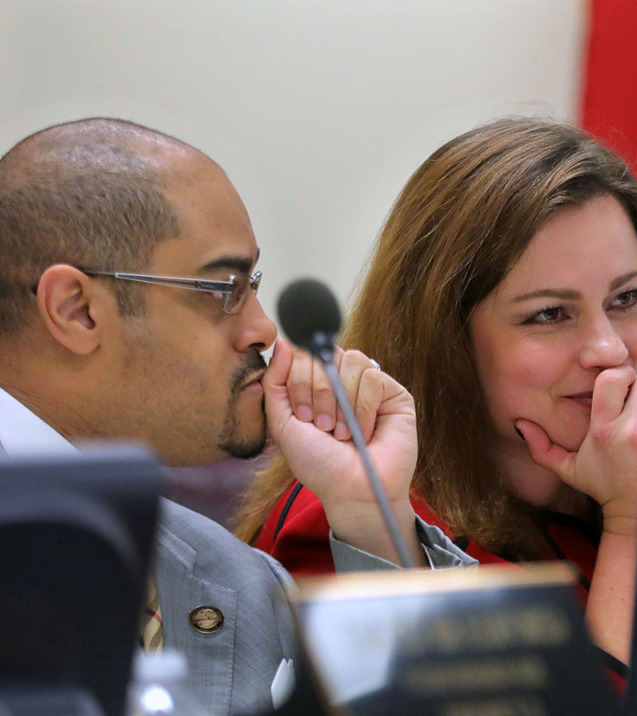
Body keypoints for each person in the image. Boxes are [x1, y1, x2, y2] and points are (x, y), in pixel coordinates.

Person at [0, 118, 473, 715]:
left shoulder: (242, 581)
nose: (262, 328)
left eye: (252, 284)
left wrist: (370, 512)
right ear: (78, 311)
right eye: (221, 288)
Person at [234, 117, 637, 667]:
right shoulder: (359, 516)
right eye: (549, 314)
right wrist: (636, 523)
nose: (610, 350)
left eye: (627, 298)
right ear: (447, 338)